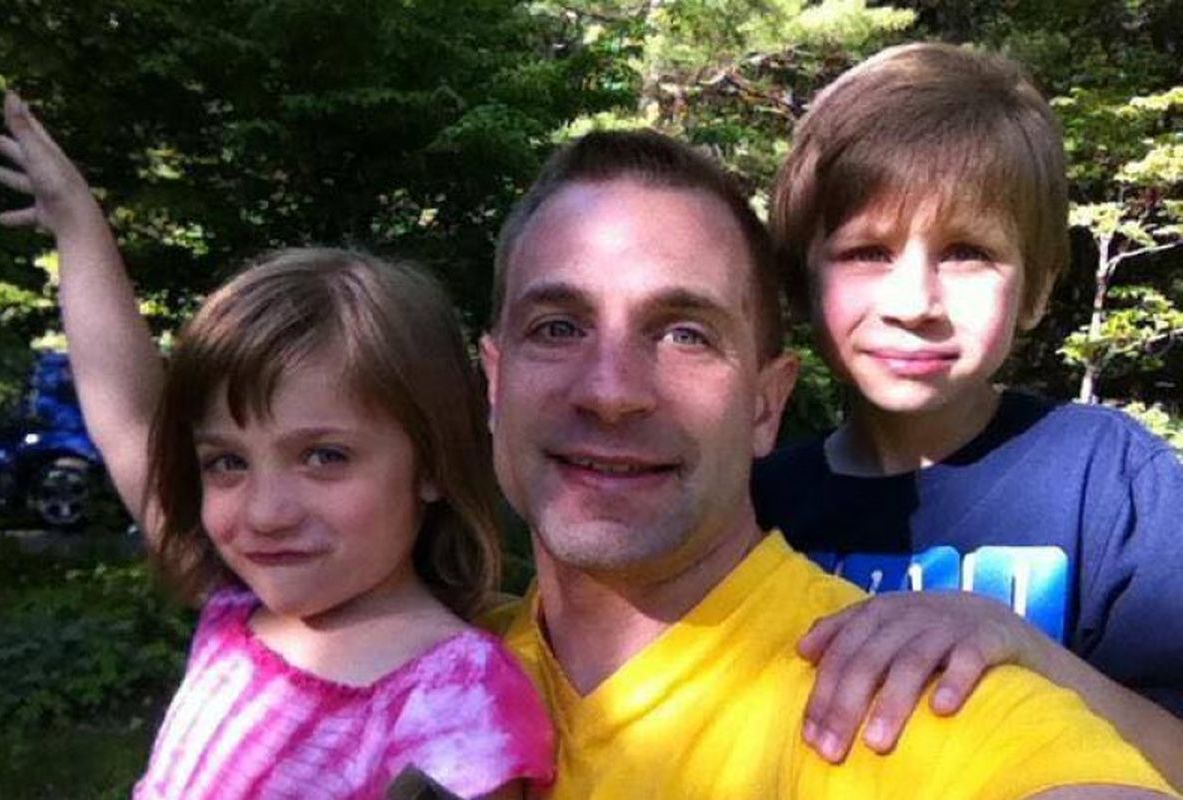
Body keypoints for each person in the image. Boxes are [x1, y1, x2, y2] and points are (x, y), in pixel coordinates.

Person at [477, 127, 1175, 797]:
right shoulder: (448, 666)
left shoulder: (893, 698)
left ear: (766, 405)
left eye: (686, 334)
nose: (610, 393)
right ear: (494, 380)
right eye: (558, 327)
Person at [0, 93, 554, 799]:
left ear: (433, 460)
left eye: (324, 456)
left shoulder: (456, 706)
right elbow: (128, 420)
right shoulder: (237, 606)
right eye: (227, 462)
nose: (265, 513)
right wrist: (77, 223)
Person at [752, 42, 1183, 787]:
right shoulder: (752, 500)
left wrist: (1021, 647)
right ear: (799, 282)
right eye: (867, 252)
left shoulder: (1108, 480)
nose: (915, 303)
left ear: (1037, 287)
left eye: (967, 252)